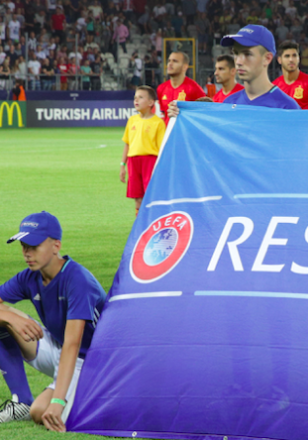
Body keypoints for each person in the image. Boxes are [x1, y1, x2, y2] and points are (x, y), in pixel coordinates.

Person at [0, 211, 106, 431]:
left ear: (56, 246)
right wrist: (9, 317)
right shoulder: (28, 276)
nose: (27, 253)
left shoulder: (78, 280)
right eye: (23, 246)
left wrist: (57, 402)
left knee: (41, 411)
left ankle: (103, 398)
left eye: (34, 246)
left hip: (93, 362)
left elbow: (73, 344)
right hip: (61, 351)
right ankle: (21, 402)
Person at [168, 26, 300, 117]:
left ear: (267, 58)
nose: (239, 61)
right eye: (236, 53)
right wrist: (182, 115)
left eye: (247, 54)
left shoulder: (287, 107)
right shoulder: (229, 103)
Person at [120, 86, 166, 215]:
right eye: (135, 98)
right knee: (137, 196)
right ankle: (139, 227)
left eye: (140, 97)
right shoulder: (132, 120)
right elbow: (127, 144)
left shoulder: (158, 123)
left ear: (151, 102)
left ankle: (152, 224)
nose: (136, 100)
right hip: (133, 162)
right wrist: (122, 165)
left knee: (150, 195)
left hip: (150, 162)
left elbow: (162, 148)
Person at [156, 51, 206, 124]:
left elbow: (203, 116)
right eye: (169, 61)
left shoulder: (194, 89)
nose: (170, 64)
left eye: (175, 61)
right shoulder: (161, 88)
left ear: (184, 67)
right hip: (168, 133)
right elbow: (164, 114)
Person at [273, 41, 308, 109]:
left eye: (294, 55)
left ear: (299, 58)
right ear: (279, 60)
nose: (291, 59)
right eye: (287, 56)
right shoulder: (275, 87)